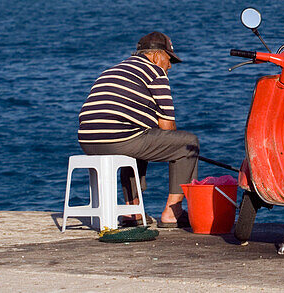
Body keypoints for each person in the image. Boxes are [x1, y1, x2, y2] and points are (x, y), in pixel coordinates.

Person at [78, 32, 199, 228]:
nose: (169, 66)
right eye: (169, 60)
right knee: (188, 143)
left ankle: (132, 210)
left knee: (139, 138)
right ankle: (173, 211)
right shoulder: (155, 72)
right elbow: (167, 128)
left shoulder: (112, 70)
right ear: (157, 55)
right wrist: (177, 150)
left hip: (87, 142)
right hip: (119, 140)